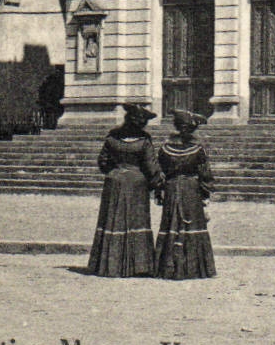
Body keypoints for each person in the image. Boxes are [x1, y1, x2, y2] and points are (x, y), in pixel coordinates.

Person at [86, 103, 163, 277]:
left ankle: (109, 265)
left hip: (115, 182)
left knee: (114, 220)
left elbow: (103, 162)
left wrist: (116, 173)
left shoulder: (112, 138)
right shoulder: (144, 141)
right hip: (137, 183)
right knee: (137, 221)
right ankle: (138, 265)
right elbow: (151, 167)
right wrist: (157, 185)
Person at [154, 109, 217, 280]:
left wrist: (159, 190)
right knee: (192, 224)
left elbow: (159, 172)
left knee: (171, 224)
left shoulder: (165, 149)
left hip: (172, 187)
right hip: (191, 189)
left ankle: (167, 267)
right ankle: (193, 268)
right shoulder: (198, 149)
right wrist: (206, 197)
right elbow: (205, 174)